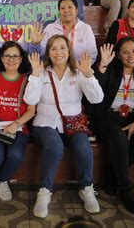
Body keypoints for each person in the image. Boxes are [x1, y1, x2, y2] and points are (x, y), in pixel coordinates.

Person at [24, 35, 104, 218]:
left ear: (69, 51)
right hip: (45, 122)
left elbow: (97, 99)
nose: (58, 52)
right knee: (54, 146)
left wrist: (89, 74)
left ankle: (86, 188)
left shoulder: (78, 71)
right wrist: (35, 76)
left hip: (74, 123)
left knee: (83, 147)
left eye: (62, 48)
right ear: (48, 52)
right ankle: (44, 192)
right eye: (53, 48)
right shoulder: (42, 71)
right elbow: (30, 100)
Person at [94, 38, 134, 214]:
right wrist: (102, 66)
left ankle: (113, 170)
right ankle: (126, 189)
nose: (131, 56)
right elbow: (95, 88)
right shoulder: (111, 69)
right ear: (118, 56)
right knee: (120, 141)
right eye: (126, 52)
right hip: (109, 116)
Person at [0, 41, 35, 203]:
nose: (11, 59)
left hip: (18, 126)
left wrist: (15, 124)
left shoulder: (27, 81)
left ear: (22, 59)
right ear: (1, 58)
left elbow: (31, 110)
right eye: (7, 55)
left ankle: (2, 180)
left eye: (15, 56)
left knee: (16, 155)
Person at [30, 0, 97, 64]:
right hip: (54, 70)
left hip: (79, 70)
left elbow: (92, 56)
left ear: (76, 10)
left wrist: (77, 70)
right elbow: (42, 54)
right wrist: (35, 44)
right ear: (59, 11)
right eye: (62, 8)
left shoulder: (85, 28)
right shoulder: (50, 28)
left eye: (70, 7)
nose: (66, 10)